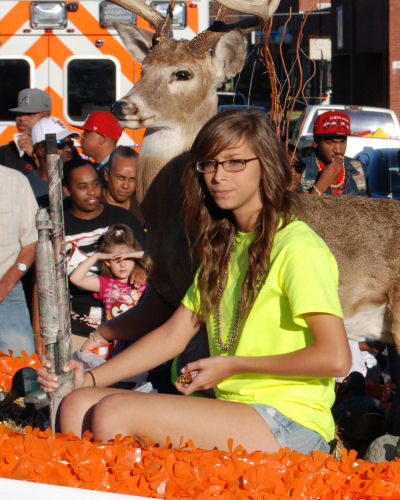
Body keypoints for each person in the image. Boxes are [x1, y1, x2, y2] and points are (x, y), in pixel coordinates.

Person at [38, 109, 351, 454]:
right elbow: (173, 336)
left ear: (267, 165)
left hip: (290, 422)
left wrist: (233, 365)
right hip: (234, 408)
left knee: (113, 413)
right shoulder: (225, 246)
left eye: (234, 162)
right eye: (210, 164)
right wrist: (90, 378)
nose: (218, 176)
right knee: (76, 406)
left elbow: (336, 358)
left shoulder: (297, 247)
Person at [61, 158, 145, 351]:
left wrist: (141, 267)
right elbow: (41, 280)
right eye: (83, 186)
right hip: (76, 329)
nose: (91, 191)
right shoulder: (59, 223)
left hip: (127, 332)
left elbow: (152, 256)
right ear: (67, 190)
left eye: (95, 184)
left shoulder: (122, 218)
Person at [69, 224, 146, 323]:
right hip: (118, 336)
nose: (122, 264)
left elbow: (158, 259)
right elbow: (75, 279)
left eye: (127, 258)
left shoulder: (143, 279)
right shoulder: (105, 284)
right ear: (107, 262)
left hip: (144, 335)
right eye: (117, 259)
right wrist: (96, 256)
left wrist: (134, 254)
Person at [0, 165, 38, 355]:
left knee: (21, 368)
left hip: (7, 290)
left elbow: (31, 243)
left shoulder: (16, 182)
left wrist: (6, 284)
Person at [298, 111, 366, 195]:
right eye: (330, 142)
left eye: (342, 142)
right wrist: (321, 185)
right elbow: (299, 207)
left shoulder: (358, 167)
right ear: (316, 140)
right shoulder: (301, 169)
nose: (338, 150)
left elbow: (367, 204)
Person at [29, 116, 80, 207]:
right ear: (40, 149)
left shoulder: (79, 181)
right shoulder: (26, 186)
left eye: (70, 143)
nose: (68, 149)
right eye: (60, 144)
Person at [0, 88, 52, 176]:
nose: (22, 118)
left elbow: (58, 185)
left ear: (46, 117)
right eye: (19, 113)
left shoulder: (62, 147)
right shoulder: (4, 152)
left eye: (30, 114)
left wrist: (35, 155)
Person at [77, 111, 124, 183]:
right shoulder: (105, 167)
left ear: (101, 139)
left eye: (86, 133)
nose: (82, 136)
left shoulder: (117, 173)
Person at [102, 146, 144, 224]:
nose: (125, 186)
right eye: (120, 178)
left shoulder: (143, 210)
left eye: (132, 179)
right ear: (106, 174)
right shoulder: (93, 207)